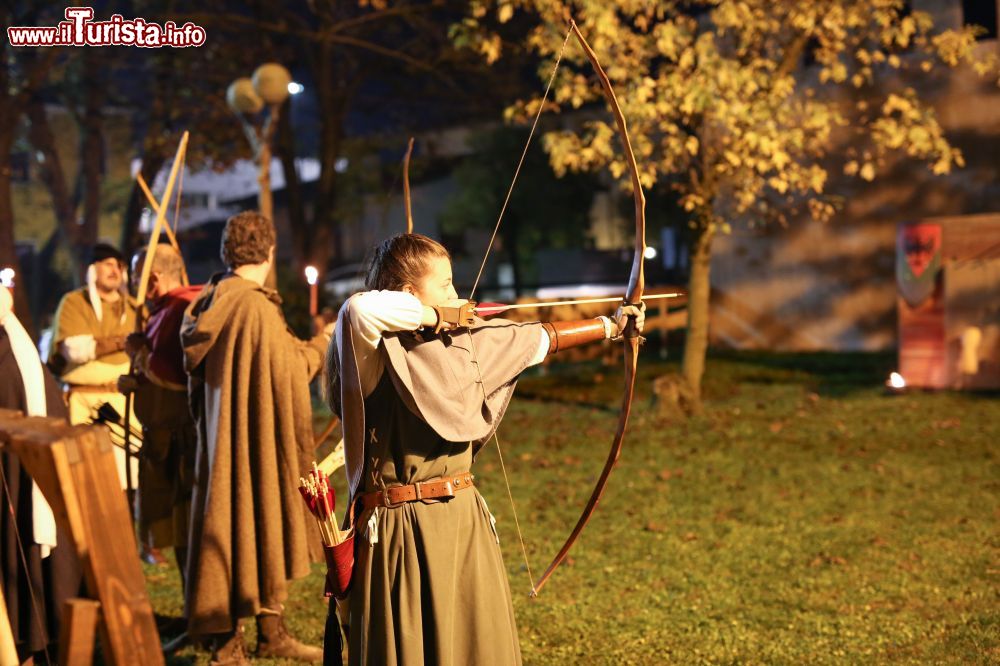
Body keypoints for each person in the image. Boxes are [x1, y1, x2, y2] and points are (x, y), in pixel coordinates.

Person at [326, 233, 644, 665]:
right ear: (408, 294)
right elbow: (359, 308)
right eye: (445, 285)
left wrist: (611, 326)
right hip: (402, 532)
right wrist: (433, 314)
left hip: (463, 519)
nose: (457, 295)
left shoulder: (455, 349)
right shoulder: (371, 352)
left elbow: (535, 340)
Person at [181, 211, 331, 664]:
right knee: (243, 523)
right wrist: (325, 342)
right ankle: (229, 646)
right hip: (250, 441)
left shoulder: (214, 297)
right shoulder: (253, 306)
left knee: (246, 522)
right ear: (268, 252)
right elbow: (291, 370)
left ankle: (270, 631)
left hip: (228, 436)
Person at [0, 285, 82, 663]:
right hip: (18, 479)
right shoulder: (13, 347)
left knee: (21, 569)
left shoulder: (11, 353)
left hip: (20, 485)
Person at [120, 243, 201, 578]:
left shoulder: (183, 307)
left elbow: (175, 371)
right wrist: (136, 380)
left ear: (151, 278)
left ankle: (202, 616)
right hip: (164, 440)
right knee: (178, 529)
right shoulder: (163, 310)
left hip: (182, 442)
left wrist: (140, 356)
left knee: (188, 528)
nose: (134, 285)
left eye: (137, 277)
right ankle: (193, 614)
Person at [48, 243, 139, 489]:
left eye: (119, 265)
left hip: (127, 408)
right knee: (90, 482)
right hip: (85, 407)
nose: (115, 270)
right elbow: (74, 350)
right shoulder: (74, 303)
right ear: (93, 268)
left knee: (130, 481)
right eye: (107, 264)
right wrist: (122, 341)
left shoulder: (135, 308)